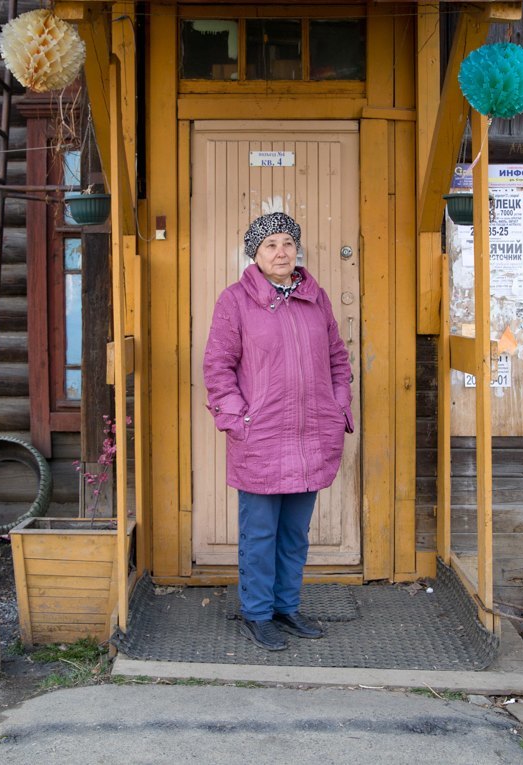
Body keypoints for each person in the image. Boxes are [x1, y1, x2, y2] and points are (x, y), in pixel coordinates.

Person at [203, 212, 354, 651]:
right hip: (263, 437)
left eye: (287, 242)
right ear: (256, 253)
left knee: (294, 533)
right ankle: (257, 613)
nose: (281, 252)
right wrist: (237, 418)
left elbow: (337, 359)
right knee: (260, 533)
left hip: (311, 436)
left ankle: (287, 607)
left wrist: (337, 404)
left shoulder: (315, 297)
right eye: (270, 244)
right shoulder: (235, 301)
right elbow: (217, 367)